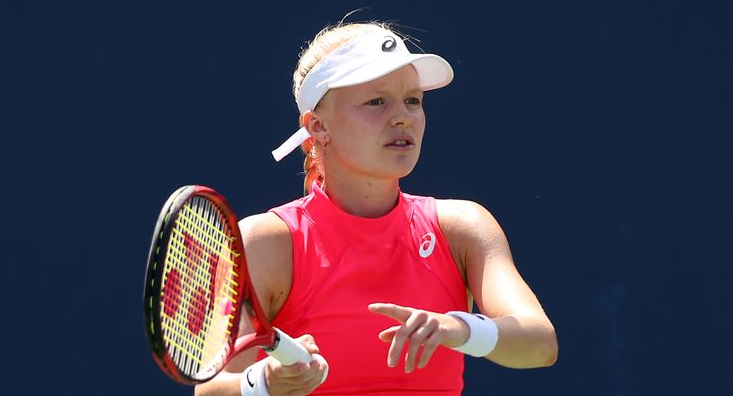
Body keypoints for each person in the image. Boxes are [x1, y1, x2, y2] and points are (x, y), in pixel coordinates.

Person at [196, 20, 557, 396]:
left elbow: (540, 343)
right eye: (376, 101)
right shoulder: (266, 242)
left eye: (413, 100)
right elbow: (209, 390)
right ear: (318, 125)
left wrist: (461, 328)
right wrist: (264, 384)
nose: (402, 116)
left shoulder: (462, 227)